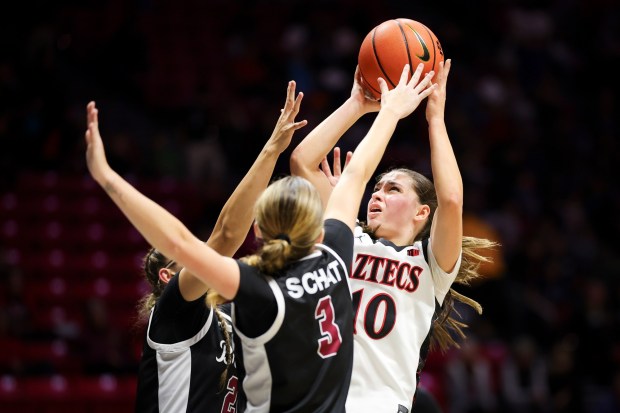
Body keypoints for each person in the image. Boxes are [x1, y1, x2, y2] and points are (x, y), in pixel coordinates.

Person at [85, 64, 435, 412]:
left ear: (258, 231)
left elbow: (201, 240)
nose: (208, 255)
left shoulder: (258, 293)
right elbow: (353, 179)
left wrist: (107, 177)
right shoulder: (332, 262)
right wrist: (386, 111)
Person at [290, 59, 498, 413]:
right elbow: (302, 162)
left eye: (392, 189)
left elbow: (450, 199)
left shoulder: (432, 267)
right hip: (318, 402)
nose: (376, 194)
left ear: (421, 213)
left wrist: (435, 119)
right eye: (376, 187)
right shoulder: (346, 236)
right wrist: (357, 104)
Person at [126, 81, 306, 412]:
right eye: (188, 252)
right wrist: (272, 149)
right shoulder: (173, 312)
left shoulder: (225, 314)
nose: (200, 253)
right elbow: (224, 236)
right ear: (168, 277)